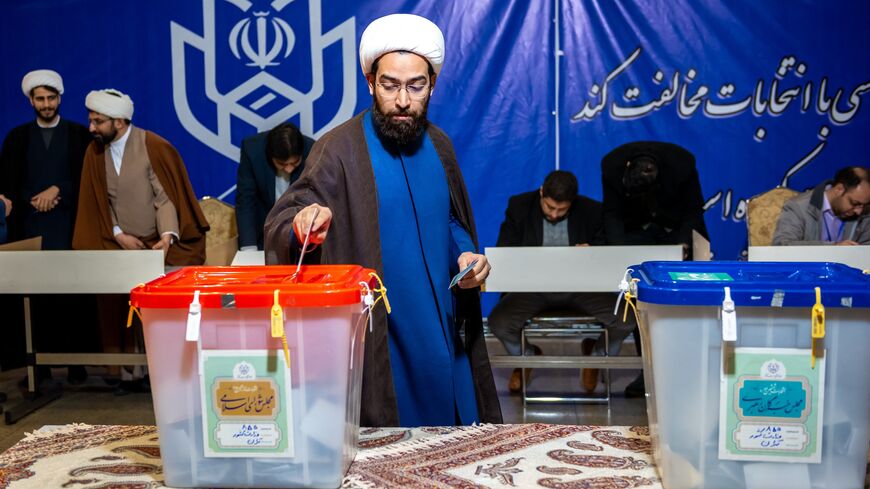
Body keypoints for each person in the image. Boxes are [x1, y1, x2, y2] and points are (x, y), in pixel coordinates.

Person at [264, 13, 501, 427]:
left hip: (442, 320)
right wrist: (304, 224)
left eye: (416, 86)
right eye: (390, 86)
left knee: (457, 430)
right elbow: (286, 217)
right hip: (380, 329)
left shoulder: (440, 146)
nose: (403, 101)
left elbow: (450, 220)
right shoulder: (339, 148)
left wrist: (467, 257)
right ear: (371, 83)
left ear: (432, 86)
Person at [73, 88, 209, 394]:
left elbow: (165, 198)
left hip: (153, 245)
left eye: (98, 121)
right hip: (116, 243)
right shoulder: (94, 152)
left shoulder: (153, 146)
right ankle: (127, 373)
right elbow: (99, 203)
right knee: (116, 305)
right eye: (91, 120)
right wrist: (119, 235)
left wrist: (166, 236)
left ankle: (161, 371)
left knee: (155, 308)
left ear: (119, 122)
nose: (91, 127)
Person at [488, 170, 636, 394]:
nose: (555, 214)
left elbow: (609, 257)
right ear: (541, 193)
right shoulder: (519, 206)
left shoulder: (592, 210)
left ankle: (595, 357)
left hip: (582, 288)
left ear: (573, 202)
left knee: (627, 318)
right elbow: (504, 250)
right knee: (499, 322)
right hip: (531, 288)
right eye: (549, 207)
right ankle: (526, 358)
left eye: (562, 210)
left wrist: (593, 253)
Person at [0, 69, 95, 386]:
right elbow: (9, 184)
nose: (46, 104)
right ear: (30, 100)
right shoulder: (16, 138)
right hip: (30, 227)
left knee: (72, 295)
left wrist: (59, 190)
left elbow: (88, 178)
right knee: (36, 298)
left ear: (60, 98)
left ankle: (76, 365)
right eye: (40, 99)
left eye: (51, 98)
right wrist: (33, 198)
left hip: (69, 227)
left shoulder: (80, 134)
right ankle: (37, 365)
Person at [601, 140, 708, 397]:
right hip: (635, 232)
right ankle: (647, 371)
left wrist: (683, 247)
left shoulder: (682, 165)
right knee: (640, 299)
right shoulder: (612, 166)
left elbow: (694, 211)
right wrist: (619, 253)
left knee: (684, 301)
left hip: (676, 229)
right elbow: (612, 213)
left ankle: (686, 370)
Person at [237, 122, 314, 250]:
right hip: (262, 232)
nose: (289, 169)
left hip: (299, 235)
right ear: (270, 156)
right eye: (282, 164)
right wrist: (248, 248)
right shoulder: (252, 150)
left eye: (295, 163)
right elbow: (246, 200)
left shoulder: (312, 150)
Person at [772, 166, 870, 245]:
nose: (859, 211)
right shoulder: (798, 207)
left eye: (864, 205)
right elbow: (782, 245)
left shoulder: (865, 213)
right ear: (839, 189)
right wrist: (834, 248)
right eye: (855, 203)